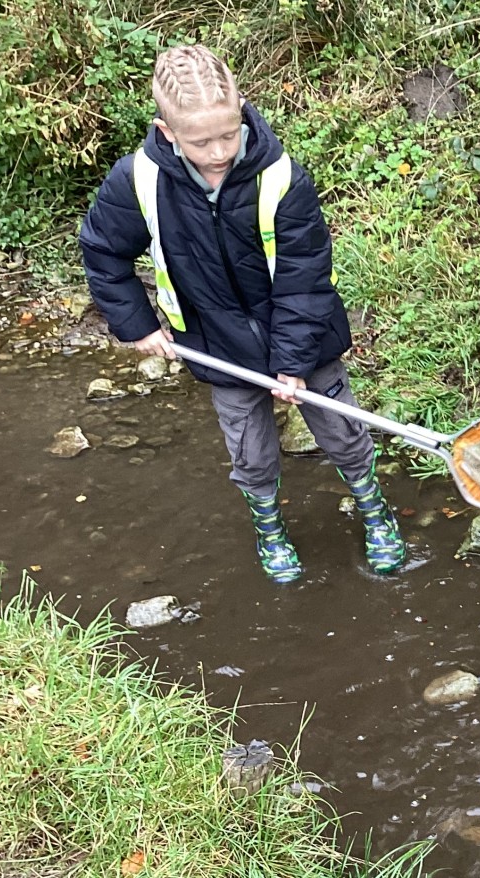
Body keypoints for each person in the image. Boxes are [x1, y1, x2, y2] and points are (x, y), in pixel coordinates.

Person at [78, 45, 404, 584]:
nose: (218, 152)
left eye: (228, 135)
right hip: (215, 343)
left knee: (342, 432)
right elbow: (102, 251)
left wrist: (292, 363)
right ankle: (269, 527)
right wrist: (137, 325)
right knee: (250, 453)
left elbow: (304, 277)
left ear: (243, 112)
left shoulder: (280, 177)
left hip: (304, 338)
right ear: (166, 131)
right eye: (200, 142)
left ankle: (373, 507)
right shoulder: (138, 180)